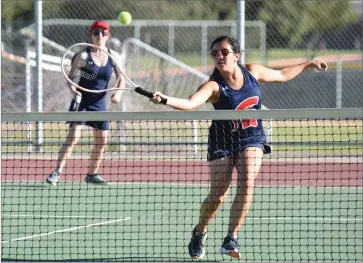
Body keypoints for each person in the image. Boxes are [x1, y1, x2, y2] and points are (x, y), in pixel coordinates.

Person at [150, 36, 328, 259]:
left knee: (247, 182)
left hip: (251, 138)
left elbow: (282, 75)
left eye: (224, 51)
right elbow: (190, 103)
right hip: (222, 140)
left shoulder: (252, 71)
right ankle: (199, 231)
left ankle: (231, 238)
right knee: (218, 196)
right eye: (214, 53)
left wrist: (309, 63)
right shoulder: (213, 86)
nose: (219, 56)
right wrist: (164, 99)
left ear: (236, 55)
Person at [46, 20, 124, 186]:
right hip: (82, 102)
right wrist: (73, 89)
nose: (100, 36)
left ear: (108, 35)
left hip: (100, 104)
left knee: (102, 140)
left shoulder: (113, 56)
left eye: (104, 32)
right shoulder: (82, 55)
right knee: (73, 137)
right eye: (96, 32)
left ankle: (92, 174)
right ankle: (56, 172)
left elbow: (121, 80)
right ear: (90, 35)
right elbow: (70, 77)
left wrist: (118, 93)